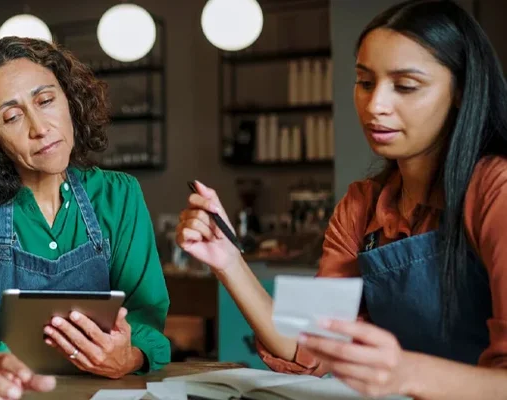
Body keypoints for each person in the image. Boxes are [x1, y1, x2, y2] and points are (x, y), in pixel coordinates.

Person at [177, 0, 507, 398]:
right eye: (365, 82)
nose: (375, 106)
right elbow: (312, 347)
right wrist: (228, 262)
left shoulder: (495, 191)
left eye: (405, 86)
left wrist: (406, 372)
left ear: (461, 90)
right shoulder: (361, 207)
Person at [0, 37, 172, 400]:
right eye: (12, 116)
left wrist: (129, 355)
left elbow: (145, 314)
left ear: (70, 102)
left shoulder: (120, 197)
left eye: (46, 101)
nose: (39, 127)